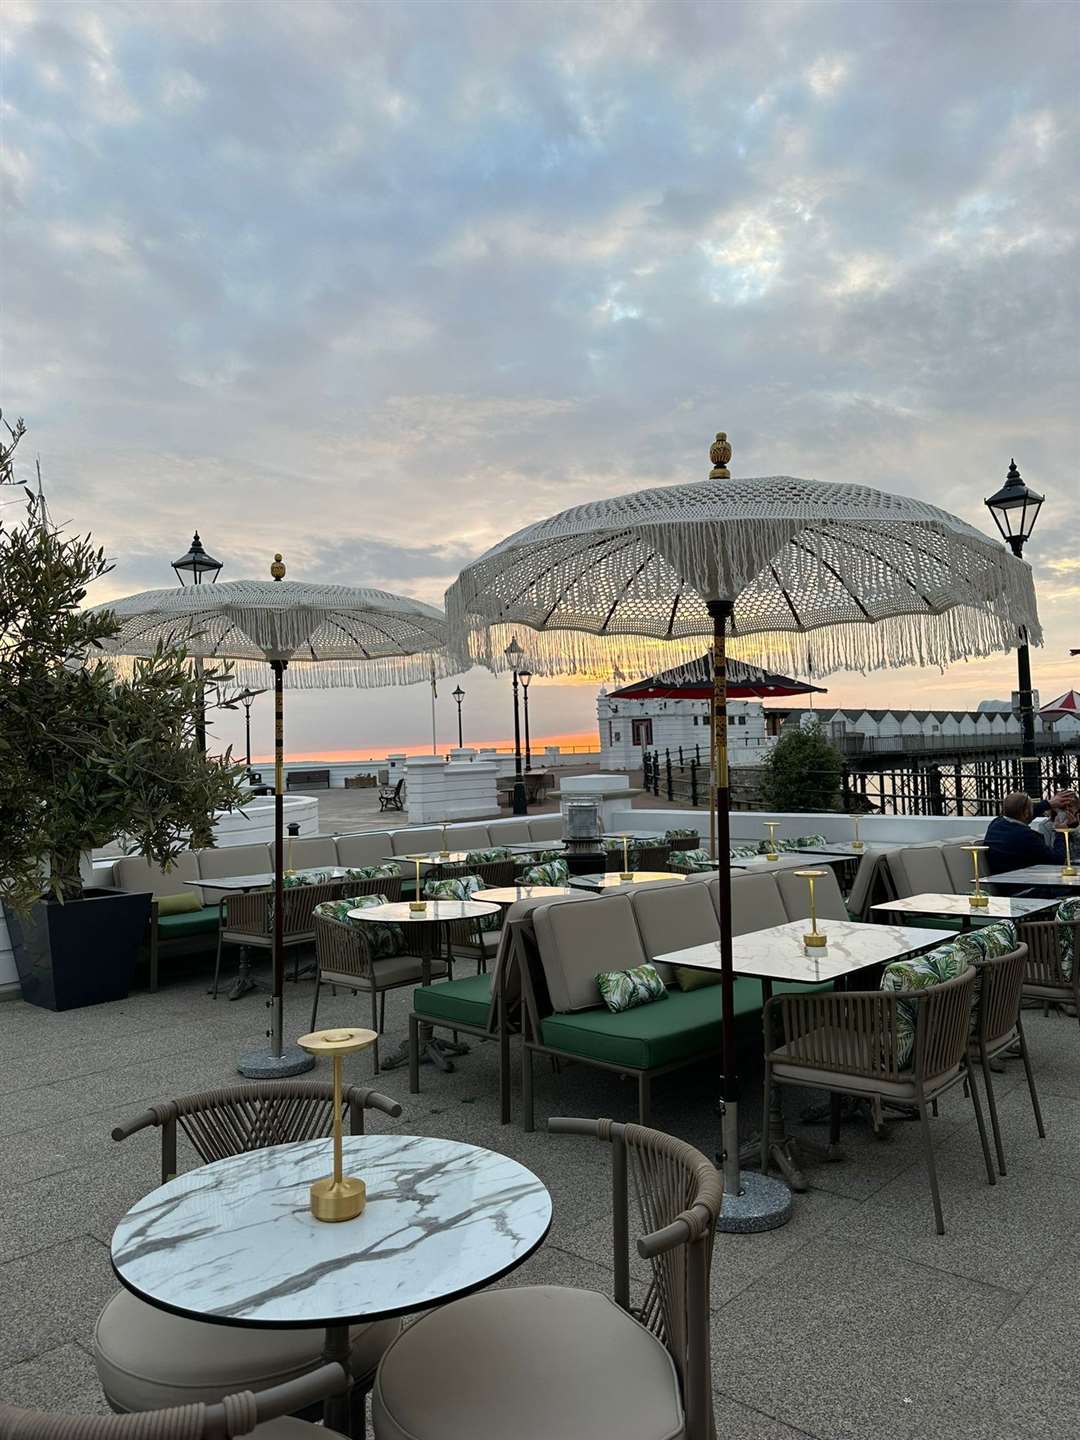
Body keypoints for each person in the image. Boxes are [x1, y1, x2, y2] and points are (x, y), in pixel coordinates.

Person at [984, 791, 1066, 874]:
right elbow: (1057, 861)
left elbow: (1021, 813)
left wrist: (1048, 804)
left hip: (1000, 880)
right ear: (1026, 813)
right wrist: (1060, 832)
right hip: (1022, 884)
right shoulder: (1027, 837)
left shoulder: (996, 824)